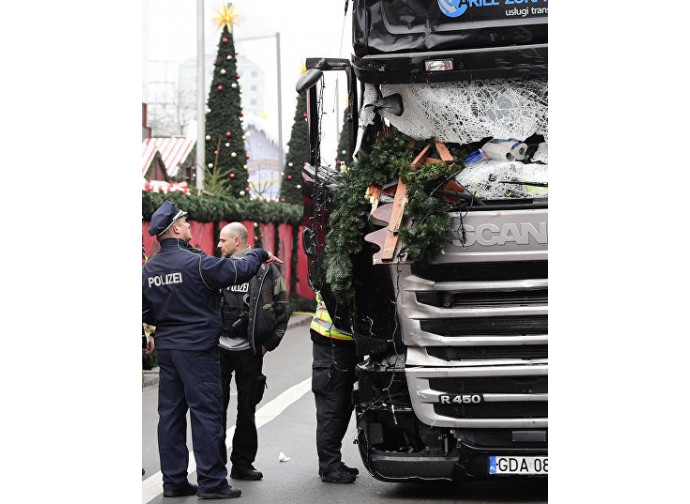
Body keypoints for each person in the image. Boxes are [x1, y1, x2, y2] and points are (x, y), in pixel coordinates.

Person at [142, 201, 282, 500]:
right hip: (198, 350)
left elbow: (144, 311)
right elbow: (238, 270)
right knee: (207, 415)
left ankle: (174, 482)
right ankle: (213, 483)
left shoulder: (149, 269)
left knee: (170, 416)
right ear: (176, 229)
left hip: (168, 349)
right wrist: (259, 253)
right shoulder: (197, 264)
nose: (190, 225)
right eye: (185, 221)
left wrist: (168, 318)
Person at [216, 222, 290, 481]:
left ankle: (242, 464)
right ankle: (215, 467)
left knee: (246, 410)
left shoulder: (267, 269)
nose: (218, 245)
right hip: (219, 351)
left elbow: (283, 308)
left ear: (237, 241)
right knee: (216, 409)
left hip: (250, 351)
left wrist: (269, 343)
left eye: (223, 240)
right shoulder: (219, 266)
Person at [310, 293, 360, 483]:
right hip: (331, 339)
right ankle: (329, 466)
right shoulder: (337, 267)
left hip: (345, 340)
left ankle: (333, 462)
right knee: (332, 404)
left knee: (345, 404)